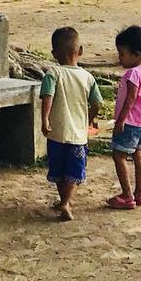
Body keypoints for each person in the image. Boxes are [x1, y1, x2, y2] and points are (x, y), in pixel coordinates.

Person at [40, 26, 102, 221]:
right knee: (74, 171)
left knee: (58, 169)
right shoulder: (88, 77)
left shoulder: (53, 73)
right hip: (78, 135)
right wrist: (90, 118)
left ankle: (63, 200)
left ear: (54, 53)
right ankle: (67, 201)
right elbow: (98, 103)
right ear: (80, 50)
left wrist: (45, 119)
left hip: (57, 132)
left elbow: (47, 97)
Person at [107, 25, 141, 210]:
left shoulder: (132, 73)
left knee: (119, 156)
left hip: (130, 123)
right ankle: (139, 194)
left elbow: (130, 98)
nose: (119, 58)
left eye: (122, 54)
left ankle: (127, 195)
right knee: (139, 156)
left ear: (136, 54)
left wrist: (120, 121)